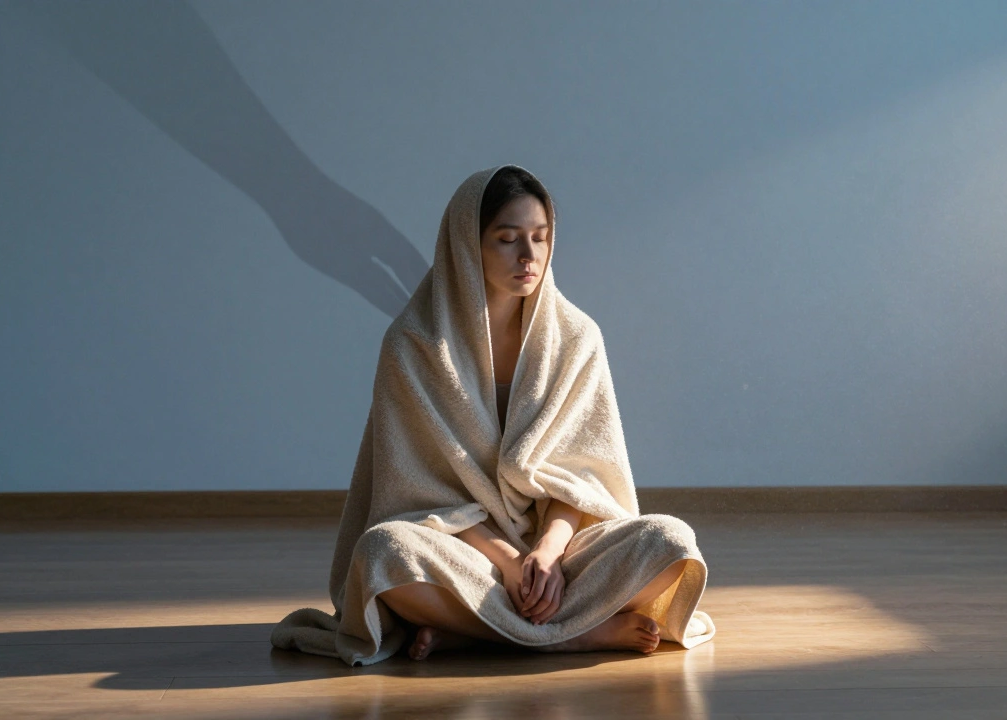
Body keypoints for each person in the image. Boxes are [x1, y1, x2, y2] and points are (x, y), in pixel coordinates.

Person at [271, 164, 715, 666]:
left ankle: (470, 633)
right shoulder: (413, 345)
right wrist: (508, 561)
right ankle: (572, 635)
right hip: (467, 555)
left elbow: (583, 474)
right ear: (467, 245)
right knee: (381, 554)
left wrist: (546, 553)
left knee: (670, 541)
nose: (529, 256)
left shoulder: (577, 339)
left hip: (562, 553)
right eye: (507, 239)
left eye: (540, 238)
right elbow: (415, 493)